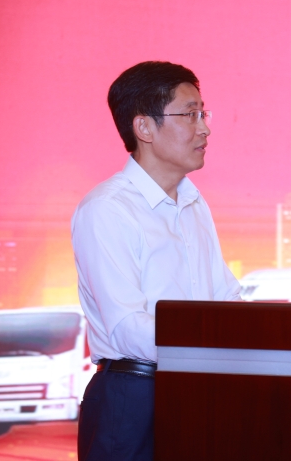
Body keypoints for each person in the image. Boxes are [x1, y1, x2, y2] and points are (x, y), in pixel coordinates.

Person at [71, 61, 241, 461]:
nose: (205, 128)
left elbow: (225, 297)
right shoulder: (108, 209)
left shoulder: (194, 203)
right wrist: (208, 346)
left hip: (198, 388)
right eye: (190, 115)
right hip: (133, 396)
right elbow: (128, 328)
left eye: (204, 113)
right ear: (144, 128)